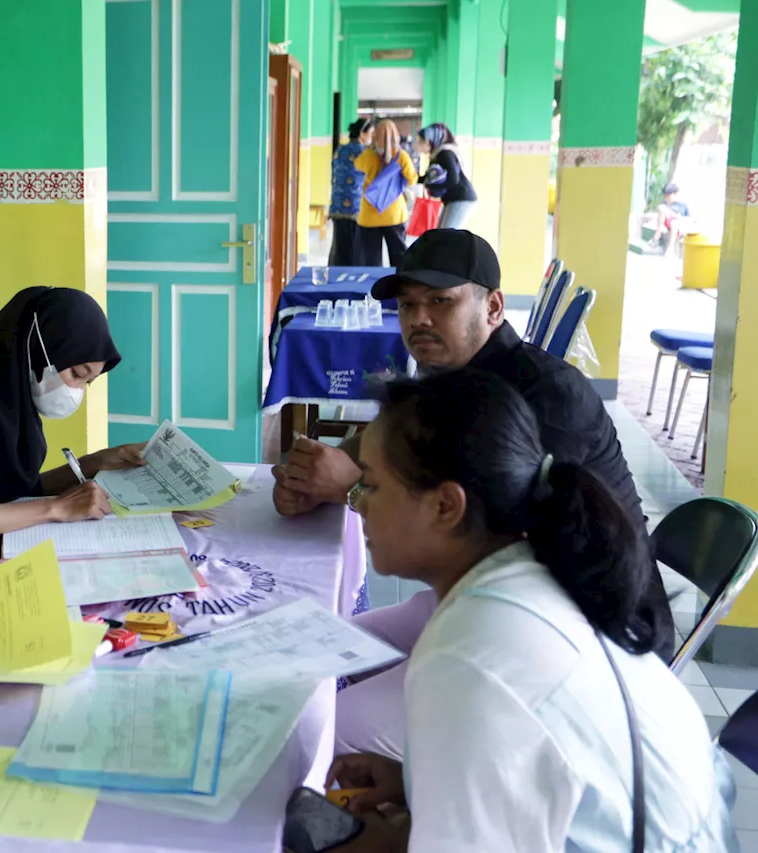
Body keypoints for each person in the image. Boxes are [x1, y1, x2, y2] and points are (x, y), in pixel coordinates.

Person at [272, 229, 675, 757]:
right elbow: (386, 445)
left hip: (577, 625)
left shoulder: (545, 395)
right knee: (326, 644)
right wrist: (318, 473)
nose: (418, 320)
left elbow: (502, 530)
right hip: (491, 593)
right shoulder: (450, 375)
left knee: (331, 725)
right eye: (409, 304)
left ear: (493, 306)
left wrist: (353, 486)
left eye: (440, 302)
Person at [327, 370, 737, 852]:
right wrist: (413, 781)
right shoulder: (539, 572)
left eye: (371, 487)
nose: (359, 507)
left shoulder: (468, 653)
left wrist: (372, 842)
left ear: (446, 506)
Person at [0, 287, 144, 583]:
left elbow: (13, 491)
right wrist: (56, 508)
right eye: (77, 374)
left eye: (88, 382)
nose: (77, 391)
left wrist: (96, 463)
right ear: (43, 346)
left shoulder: (10, 401)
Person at [353, 118, 417, 267]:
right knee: (399, 256)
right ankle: (399, 286)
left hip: (369, 212)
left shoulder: (367, 155)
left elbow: (357, 169)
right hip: (394, 213)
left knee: (371, 260)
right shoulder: (401, 156)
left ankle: (374, 287)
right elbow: (412, 179)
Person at [328, 118, 373, 267]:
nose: (372, 138)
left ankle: (335, 277)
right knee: (355, 249)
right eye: (371, 134)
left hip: (337, 205)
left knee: (339, 247)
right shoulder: (364, 153)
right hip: (356, 207)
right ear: (362, 134)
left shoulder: (340, 150)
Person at [416, 123, 477, 229]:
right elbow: (428, 177)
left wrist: (432, 187)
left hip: (462, 197)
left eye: (422, 141)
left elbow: (453, 179)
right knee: (441, 232)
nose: (420, 144)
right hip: (454, 198)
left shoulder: (445, 153)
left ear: (432, 140)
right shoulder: (438, 154)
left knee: (447, 234)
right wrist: (412, 178)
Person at [651, 182, 693, 254]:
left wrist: (677, 217)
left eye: (668, 196)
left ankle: (671, 248)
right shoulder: (665, 204)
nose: (667, 198)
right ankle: (657, 235)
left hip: (678, 225)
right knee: (661, 208)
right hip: (669, 222)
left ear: (675, 194)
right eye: (665, 196)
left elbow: (688, 218)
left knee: (674, 223)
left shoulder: (682, 205)